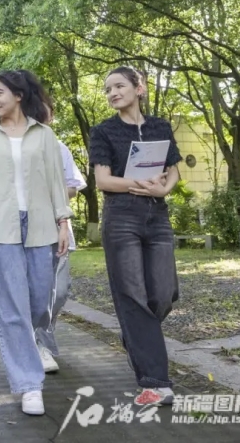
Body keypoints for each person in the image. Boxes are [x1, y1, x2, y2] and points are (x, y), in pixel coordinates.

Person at [0, 70, 72, 416]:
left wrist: (63, 221)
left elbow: (56, 181)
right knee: (12, 309)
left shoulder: (44, 135)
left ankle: (34, 344)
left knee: (40, 302)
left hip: (41, 224)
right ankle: (29, 384)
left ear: (19, 95)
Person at [89, 66, 182, 407]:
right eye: (107, 89)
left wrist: (163, 190)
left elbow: (173, 171)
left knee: (163, 294)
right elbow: (103, 181)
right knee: (132, 296)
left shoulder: (160, 127)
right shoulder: (103, 131)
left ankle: (135, 336)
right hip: (121, 218)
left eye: (119, 86)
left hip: (157, 217)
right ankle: (156, 381)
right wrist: (139, 184)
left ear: (138, 88)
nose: (112, 93)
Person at [34, 97, 87, 373]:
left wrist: (47, 192)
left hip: (58, 227)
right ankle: (39, 345)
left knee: (60, 289)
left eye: (46, 110)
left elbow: (73, 188)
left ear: (52, 116)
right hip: (26, 230)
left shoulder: (59, 148)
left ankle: (42, 337)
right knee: (36, 291)